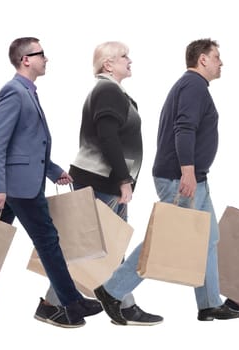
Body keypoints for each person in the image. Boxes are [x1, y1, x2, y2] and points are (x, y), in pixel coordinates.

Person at [94, 38, 239, 324]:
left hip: (194, 178)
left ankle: (209, 304)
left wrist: (193, 173)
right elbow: (184, 129)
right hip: (181, 178)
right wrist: (187, 172)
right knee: (163, 240)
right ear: (202, 59)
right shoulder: (192, 86)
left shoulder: (194, 87)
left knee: (209, 238)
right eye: (216, 57)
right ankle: (111, 290)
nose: (221, 62)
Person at [0, 37, 102, 328]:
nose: (46, 58)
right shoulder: (13, 92)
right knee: (48, 240)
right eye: (41, 54)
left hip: (24, 182)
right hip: (17, 187)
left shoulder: (28, 92)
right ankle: (71, 303)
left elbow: (27, 145)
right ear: (26, 59)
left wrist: (54, 171)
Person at [57, 41, 161, 325]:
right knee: (86, 246)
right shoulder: (107, 90)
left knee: (106, 246)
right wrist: (123, 180)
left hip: (103, 181)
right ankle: (54, 303)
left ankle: (120, 302)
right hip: (102, 182)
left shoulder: (113, 91)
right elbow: (108, 137)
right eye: (124, 56)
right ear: (108, 64)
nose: (130, 60)